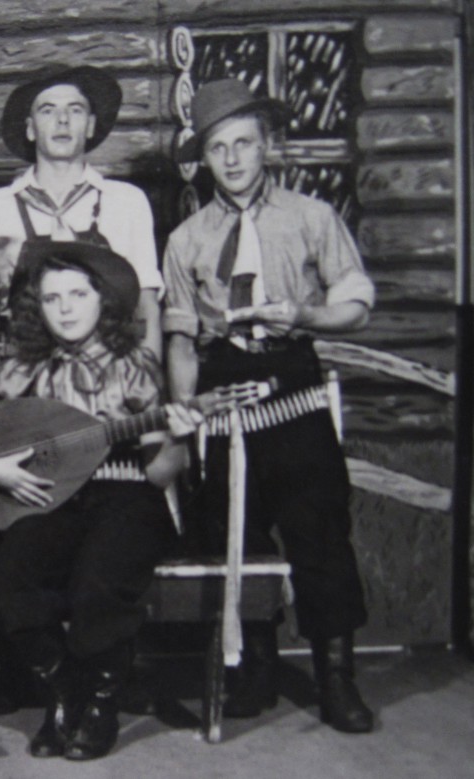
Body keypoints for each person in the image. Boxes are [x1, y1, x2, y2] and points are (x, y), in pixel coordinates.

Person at [162, 78, 376, 733]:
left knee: (319, 532)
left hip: (295, 385)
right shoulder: (187, 238)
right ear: (203, 158)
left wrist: (306, 312)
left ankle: (335, 675)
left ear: (268, 146)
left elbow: (357, 305)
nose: (231, 160)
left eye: (243, 144)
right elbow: (179, 337)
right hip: (225, 388)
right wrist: (185, 405)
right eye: (217, 148)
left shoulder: (312, 217)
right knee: (234, 530)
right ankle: (251, 664)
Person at [0, 241, 201, 761]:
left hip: (126, 492)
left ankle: (101, 703)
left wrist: (181, 437)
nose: (67, 308)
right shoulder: (23, 366)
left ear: (103, 300)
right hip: (49, 497)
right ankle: (65, 692)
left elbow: (158, 472)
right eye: (53, 298)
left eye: (78, 294)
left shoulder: (134, 366)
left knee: (99, 580)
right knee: (14, 576)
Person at [0, 64, 163, 360]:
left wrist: (148, 374)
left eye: (75, 110)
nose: (62, 120)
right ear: (30, 128)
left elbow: (147, 303)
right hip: (25, 377)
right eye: (48, 110)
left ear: (91, 125)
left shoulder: (127, 202)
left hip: (109, 374)